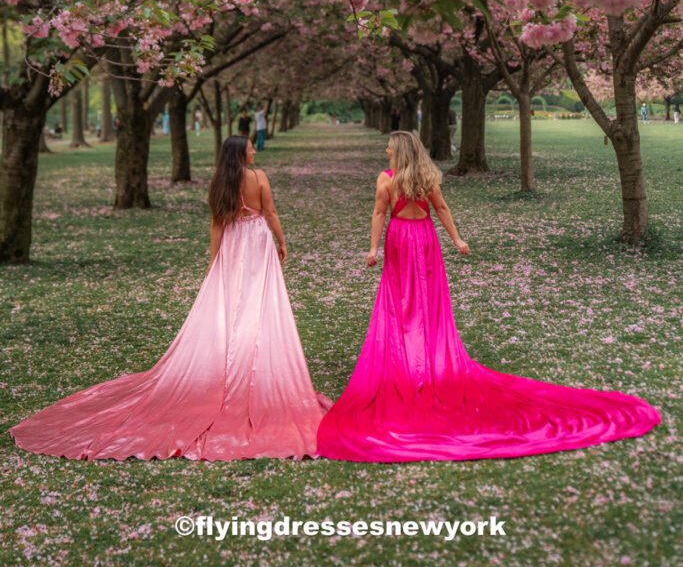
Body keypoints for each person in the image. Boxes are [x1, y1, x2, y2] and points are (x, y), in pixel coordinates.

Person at [315, 130, 661, 463]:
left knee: (403, 302)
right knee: (424, 302)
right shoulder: (425, 178)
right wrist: (456, 240)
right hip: (423, 240)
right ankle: (419, 360)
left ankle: (410, 360)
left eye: (390, 147)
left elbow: (380, 214)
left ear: (400, 151)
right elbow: (442, 210)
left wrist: (375, 248)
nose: (387, 151)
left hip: (401, 239)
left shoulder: (386, 180)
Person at [9, 136, 332, 461]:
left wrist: (214, 261)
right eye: (250, 147)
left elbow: (217, 223)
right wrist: (282, 240)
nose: (254, 150)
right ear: (240, 152)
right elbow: (271, 211)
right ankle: (251, 359)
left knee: (234, 301)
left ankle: (237, 354)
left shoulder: (221, 182)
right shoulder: (259, 177)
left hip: (234, 243)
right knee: (256, 300)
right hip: (257, 241)